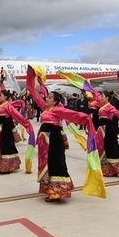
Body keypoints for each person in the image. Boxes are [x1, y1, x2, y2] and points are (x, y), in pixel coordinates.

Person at [26, 67, 96, 202]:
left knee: (56, 162)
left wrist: (87, 119)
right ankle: (51, 189)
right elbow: (34, 92)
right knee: (48, 164)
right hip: (45, 141)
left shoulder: (58, 109)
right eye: (47, 97)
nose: (46, 99)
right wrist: (32, 75)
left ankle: (57, 192)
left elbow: (74, 115)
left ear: (56, 101)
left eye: (50, 97)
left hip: (54, 139)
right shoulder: (46, 109)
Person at [0, 77, 35, 174]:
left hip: (6, 128)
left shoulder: (8, 105)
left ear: (6, 97)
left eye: (1, 95)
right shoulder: (0, 104)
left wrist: (26, 124)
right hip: (0, 128)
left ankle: (6, 166)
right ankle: (7, 165)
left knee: (6, 145)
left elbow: (17, 116)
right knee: (1, 145)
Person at [95, 90, 119, 177]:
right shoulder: (102, 106)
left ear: (107, 97)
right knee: (103, 149)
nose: (101, 98)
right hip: (102, 130)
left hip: (108, 131)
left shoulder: (110, 106)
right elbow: (95, 99)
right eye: (100, 96)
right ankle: (108, 170)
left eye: (102, 96)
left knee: (111, 149)